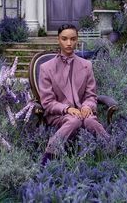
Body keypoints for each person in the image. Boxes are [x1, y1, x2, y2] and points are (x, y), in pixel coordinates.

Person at [39, 24, 110, 166]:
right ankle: (48, 156)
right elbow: (47, 101)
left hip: (83, 112)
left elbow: (91, 95)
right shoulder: (46, 68)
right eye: (64, 39)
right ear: (58, 40)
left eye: (73, 39)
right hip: (59, 114)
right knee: (74, 121)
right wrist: (67, 109)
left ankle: (110, 151)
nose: (69, 43)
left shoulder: (86, 65)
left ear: (77, 40)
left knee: (90, 121)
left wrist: (87, 106)